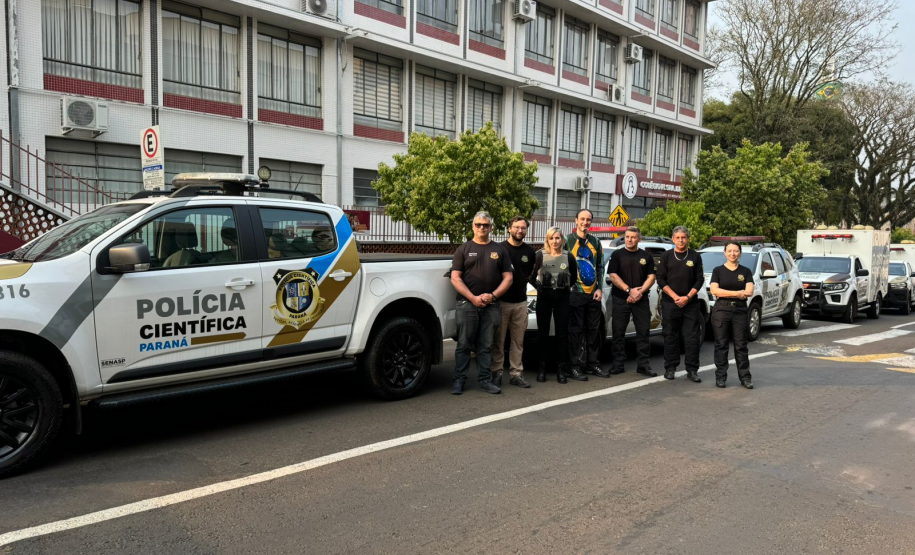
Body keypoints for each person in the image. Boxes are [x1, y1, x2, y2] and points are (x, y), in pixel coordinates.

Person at [450, 211, 514, 395]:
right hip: (466, 304)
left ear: (491, 227)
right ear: (472, 226)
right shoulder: (463, 249)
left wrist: (493, 296)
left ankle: (485, 381)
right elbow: (455, 278)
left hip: (492, 305)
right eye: (478, 224)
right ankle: (459, 380)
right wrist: (473, 298)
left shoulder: (500, 250)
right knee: (463, 344)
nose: (482, 228)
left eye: (485, 225)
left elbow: (508, 278)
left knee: (486, 346)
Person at [492, 217, 536, 388]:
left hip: (520, 303)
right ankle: (496, 373)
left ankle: (516, 374)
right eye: (517, 227)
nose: (520, 231)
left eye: (523, 228)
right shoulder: (499, 249)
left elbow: (530, 273)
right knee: (499, 340)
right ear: (509, 229)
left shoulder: (529, 252)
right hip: (502, 302)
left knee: (518, 342)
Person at [656, 225, 705, 382]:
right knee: (670, 335)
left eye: (684, 237)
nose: (681, 240)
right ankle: (670, 368)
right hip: (671, 303)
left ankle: (692, 370)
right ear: (673, 239)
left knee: (692, 337)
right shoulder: (667, 256)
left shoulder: (695, 256)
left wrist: (687, 297)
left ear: (688, 239)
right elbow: (660, 279)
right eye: (678, 237)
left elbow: (699, 279)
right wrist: (675, 296)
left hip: (690, 304)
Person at [607, 226, 657, 377]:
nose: (630, 239)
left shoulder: (646, 256)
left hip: (641, 300)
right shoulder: (617, 255)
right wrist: (629, 290)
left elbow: (652, 277)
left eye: (633, 237)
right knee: (618, 332)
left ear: (639, 239)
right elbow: (613, 275)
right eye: (627, 237)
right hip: (620, 299)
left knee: (643, 332)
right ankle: (618, 364)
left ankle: (643, 365)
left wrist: (638, 292)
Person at [530, 226, 578, 384]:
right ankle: (542, 369)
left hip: (563, 297)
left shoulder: (569, 256)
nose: (555, 241)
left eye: (557, 238)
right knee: (543, 334)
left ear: (562, 240)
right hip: (545, 296)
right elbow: (531, 276)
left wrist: (563, 288)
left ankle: (561, 370)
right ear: (547, 240)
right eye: (551, 238)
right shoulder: (539, 255)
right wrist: (539, 288)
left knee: (561, 335)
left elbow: (574, 279)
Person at [709, 242, 754, 389]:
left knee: (741, 345)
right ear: (725, 253)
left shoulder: (746, 271)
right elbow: (715, 291)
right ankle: (720, 377)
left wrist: (728, 292)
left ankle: (745, 378)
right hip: (722, 310)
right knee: (721, 344)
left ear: (740, 253)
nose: (732, 254)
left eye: (735, 251)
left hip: (740, 311)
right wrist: (737, 293)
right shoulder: (718, 271)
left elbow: (749, 292)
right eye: (729, 251)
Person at [565, 209, 603, 381]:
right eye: (582, 219)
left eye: (588, 220)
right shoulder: (567, 240)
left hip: (593, 295)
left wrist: (599, 288)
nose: (585, 222)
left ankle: (592, 364)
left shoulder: (596, 242)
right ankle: (573, 366)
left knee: (594, 331)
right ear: (576, 221)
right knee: (575, 332)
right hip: (575, 294)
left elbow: (600, 266)